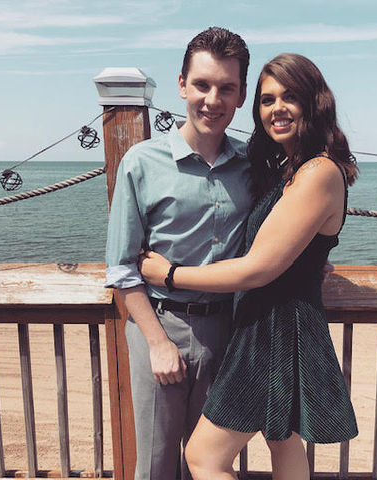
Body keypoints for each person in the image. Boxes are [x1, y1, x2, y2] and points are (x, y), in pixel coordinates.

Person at [139, 53, 359, 480]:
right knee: (283, 441)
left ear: (315, 102)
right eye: (267, 99)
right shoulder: (293, 168)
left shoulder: (317, 171)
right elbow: (292, 246)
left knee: (204, 457)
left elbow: (257, 268)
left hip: (272, 330)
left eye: (290, 97)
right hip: (278, 323)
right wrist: (311, 263)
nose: (277, 108)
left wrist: (168, 274)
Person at [105, 27, 253, 480]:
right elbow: (122, 267)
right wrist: (157, 343)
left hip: (228, 332)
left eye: (226, 88)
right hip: (160, 323)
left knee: (209, 464)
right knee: (155, 464)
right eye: (202, 85)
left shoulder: (254, 166)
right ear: (182, 84)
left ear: (242, 94)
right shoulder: (141, 162)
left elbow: (278, 231)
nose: (213, 100)